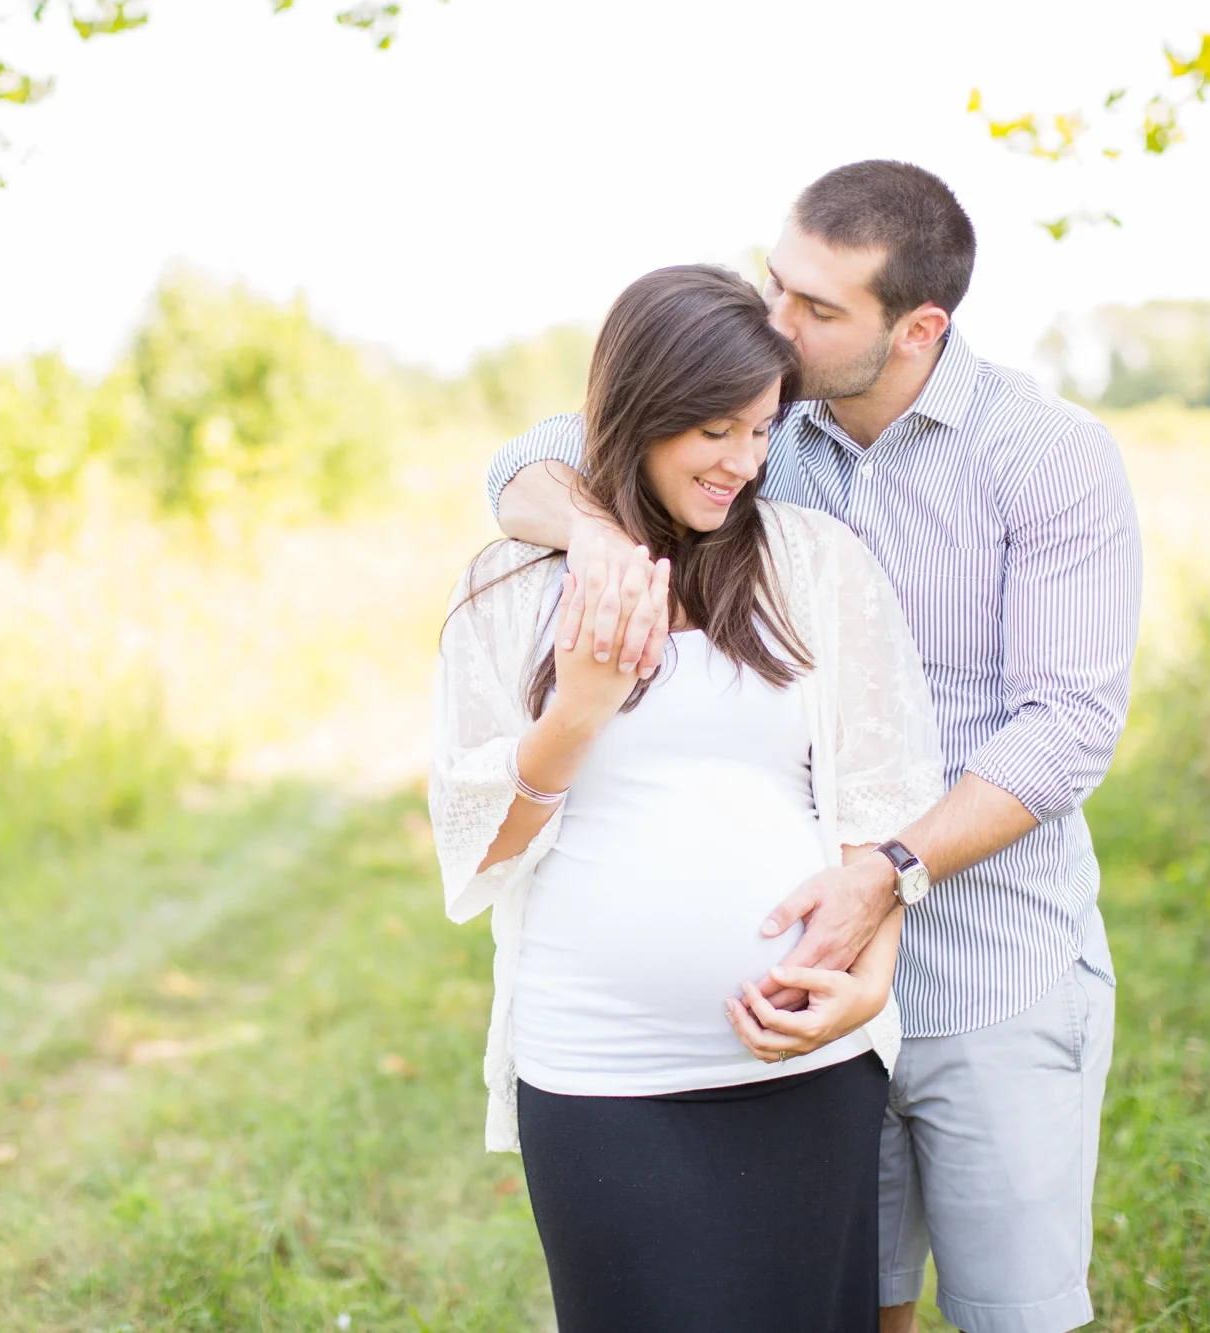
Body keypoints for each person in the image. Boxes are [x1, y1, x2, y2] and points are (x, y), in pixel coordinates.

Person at [484, 161, 1142, 1333]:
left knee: (1013, 1316)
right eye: (773, 285)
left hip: (985, 971)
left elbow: (1067, 729)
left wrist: (884, 872)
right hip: (796, 1023)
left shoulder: (1046, 458)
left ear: (915, 329)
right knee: (855, 1310)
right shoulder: (759, 427)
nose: (773, 328)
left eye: (816, 310)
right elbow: (523, 463)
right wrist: (590, 539)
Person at [428, 263, 945, 1333]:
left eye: (761, 430)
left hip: (807, 1064)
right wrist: (577, 712)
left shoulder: (814, 564)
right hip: (599, 1075)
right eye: (714, 430)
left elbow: (885, 812)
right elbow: (475, 851)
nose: (744, 463)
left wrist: (870, 987)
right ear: (636, 412)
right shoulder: (511, 589)